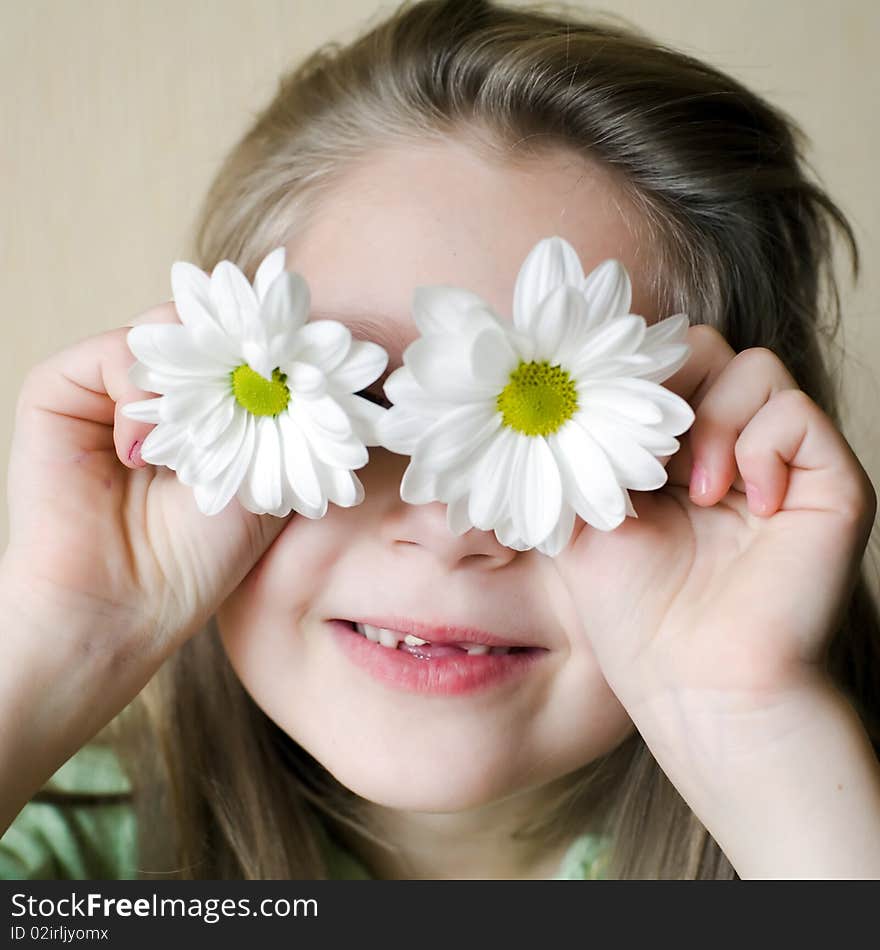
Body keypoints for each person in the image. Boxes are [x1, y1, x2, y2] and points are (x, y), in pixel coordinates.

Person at [2, 0, 879, 881]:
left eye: (580, 428)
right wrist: (62, 639)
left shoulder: (820, 818)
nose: (452, 527)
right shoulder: (62, 857)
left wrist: (750, 728)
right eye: (361, 398)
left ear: (721, 482)